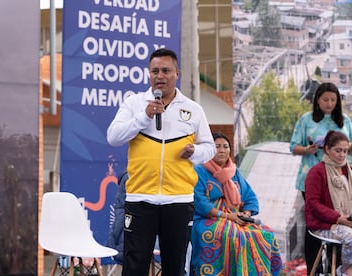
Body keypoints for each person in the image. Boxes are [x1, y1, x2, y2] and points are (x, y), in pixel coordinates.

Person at [107, 48, 215, 276]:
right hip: (139, 198)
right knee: (134, 266)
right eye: (155, 70)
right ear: (149, 74)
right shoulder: (134, 103)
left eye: (166, 70)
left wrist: (194, 151)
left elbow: (210, 148)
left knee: (175, 267)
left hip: (178, 200)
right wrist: (143, 117)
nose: (160, 75)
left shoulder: (193, 109)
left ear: (177, 73)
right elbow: (113, 136)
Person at [191, 132, 282, 275]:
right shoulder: (199, 171)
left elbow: (250, 198)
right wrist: (227, 217)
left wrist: (245, 214)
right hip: (210, 218)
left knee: (266, 233)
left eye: (225, 147)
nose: (222, 150)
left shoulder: (234, 172)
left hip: (236, 217)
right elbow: (200, 203)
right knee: (232, 235)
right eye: (217, 146)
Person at [290, 82, 352, 273]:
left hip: (341, 178)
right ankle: (315, 269)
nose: (329, 103)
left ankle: (339, 267)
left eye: (333, 100)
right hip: (313, 173)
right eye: (325, 99)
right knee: (316, 220)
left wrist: (343, 150)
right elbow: (293, 146)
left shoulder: (344, 120)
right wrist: (307, 150)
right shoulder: (306, 120)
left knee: (344, 225)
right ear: (317, 100)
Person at [305, 130, 352, 276]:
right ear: (327, 149)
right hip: (324, 223)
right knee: (350, 236)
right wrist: (338, 218)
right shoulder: (316, 172)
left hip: (346, 220)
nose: (342, 155)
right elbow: (313, 204)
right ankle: (345, 271)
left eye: (345, 151)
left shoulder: (348, 170)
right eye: (338, 151)